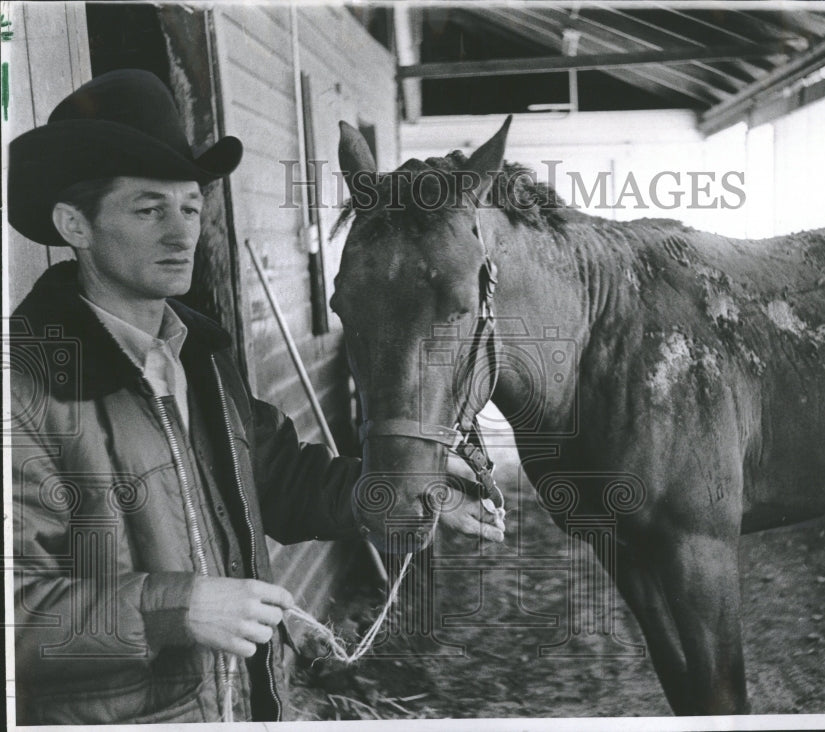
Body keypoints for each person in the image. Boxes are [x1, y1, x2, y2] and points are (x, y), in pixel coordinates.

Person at [6, 69, 504, 725]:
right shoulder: (25, 386)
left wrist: (391, 492)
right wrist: (178, 607)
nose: (182, 232)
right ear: (75, 224)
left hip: (237, 706)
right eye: (149, 209)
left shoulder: (200, 360)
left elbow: (277, 480)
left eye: (190, 207)